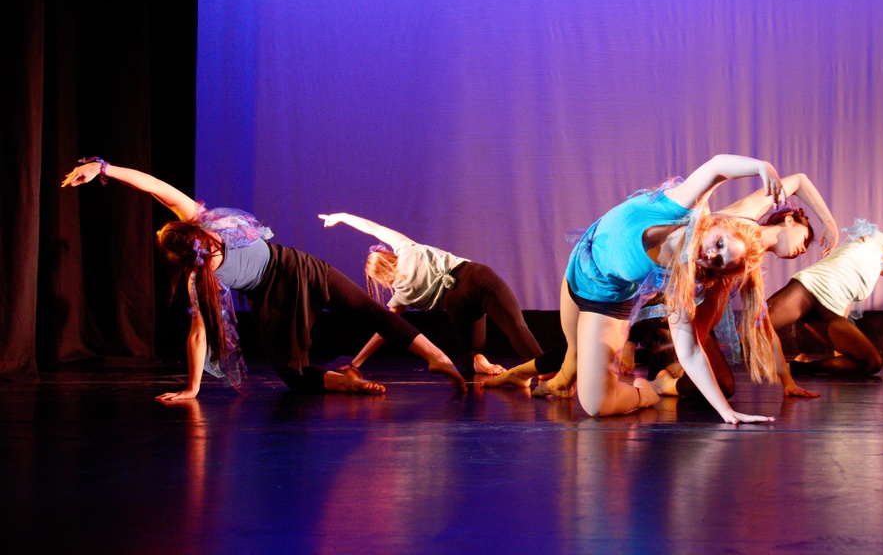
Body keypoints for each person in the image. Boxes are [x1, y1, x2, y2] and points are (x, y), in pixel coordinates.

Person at [62, 159, 467, 400]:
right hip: (299, 266)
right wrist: (103, 167)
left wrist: (193, 388)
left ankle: (344, 384)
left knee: (294, 373)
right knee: (371, 311)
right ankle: (437, 356)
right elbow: (156, 188)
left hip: (276, 300)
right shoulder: (204, 222)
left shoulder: (200, 277)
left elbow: (198, 335)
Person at [485, 172, 838, 401]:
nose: (803, 248)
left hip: (683, 318)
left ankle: (648, 380)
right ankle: (522, 374)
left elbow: (759, 322)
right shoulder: (744, 216)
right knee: (578, 351)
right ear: (788, 218)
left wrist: (787, 380)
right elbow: (798, 180)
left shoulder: (751, 271)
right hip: (655, 301)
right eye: (805, 237)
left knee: (720, 386)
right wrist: (829, 223)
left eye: (807, 247)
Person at [510, 154, 786, 421]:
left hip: (605, 300)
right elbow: (717, 167)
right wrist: (761, 167)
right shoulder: (683, 206)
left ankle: (644, 394)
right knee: (573, 353)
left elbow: (690, 352)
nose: (712, 254)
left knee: (595, 405)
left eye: (719, 262)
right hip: (580, 262)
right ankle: (556, 382)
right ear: (720, 225)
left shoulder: (681, 279)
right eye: (721, 244)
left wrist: (725, 411)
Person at [318, 212, 545, 377]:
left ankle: (482, 363)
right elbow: (373, 228)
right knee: (515, 326)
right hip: (474, 277)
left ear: (379, 278)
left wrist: (356, 362)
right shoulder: (405, 248)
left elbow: (384, 332)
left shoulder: (400, 295)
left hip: (455, 303)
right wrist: (342, 217)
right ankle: (547, 371)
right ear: (388, 255)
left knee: (470, 352)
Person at [766, 219, 883, 375]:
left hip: (826, 315)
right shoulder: (875, 241)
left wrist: (843, 352)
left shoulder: (868, 281)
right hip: (807, 291)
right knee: (755, 327)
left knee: (872, 362)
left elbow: (844, 309)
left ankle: (801, 367)